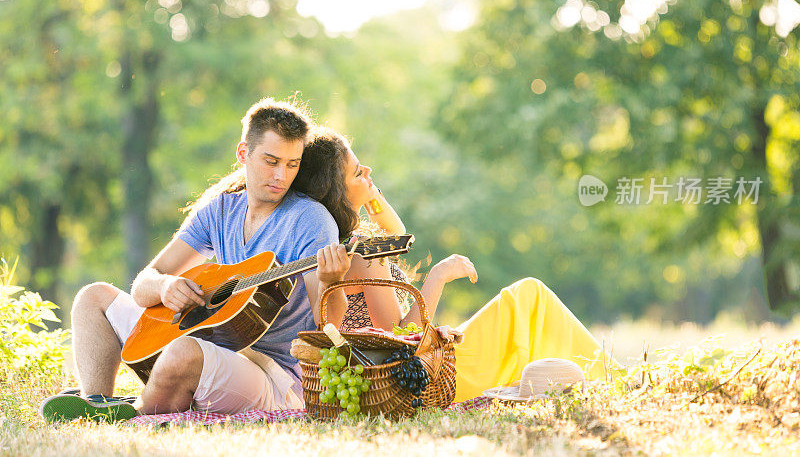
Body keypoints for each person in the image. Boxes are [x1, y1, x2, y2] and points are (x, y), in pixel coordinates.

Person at [41, 98, 352, 422]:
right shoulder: (220, 210)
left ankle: (133, 413)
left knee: (183, 352)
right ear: (243, 154)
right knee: (92, 298)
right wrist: (165, 286)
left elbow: (328, 327)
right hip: (210, 342)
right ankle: (97, 401)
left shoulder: (311, 221)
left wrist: (332, 283)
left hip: (271, 374)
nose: (281, 175)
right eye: (271, 161)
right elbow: (145, 282)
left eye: (292, 164)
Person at [291, 127, 612, 401]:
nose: (369, 171)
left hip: (401, 378)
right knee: (529, 296)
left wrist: (368, 193)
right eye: (359, 172)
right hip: (419, 380)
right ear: (337, 193)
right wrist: (438, 276)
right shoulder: (362, 256)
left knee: (526, 299)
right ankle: (610, 378)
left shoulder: (346, 248)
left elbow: (396, 233)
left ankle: (602, 376)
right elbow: (401, 339)